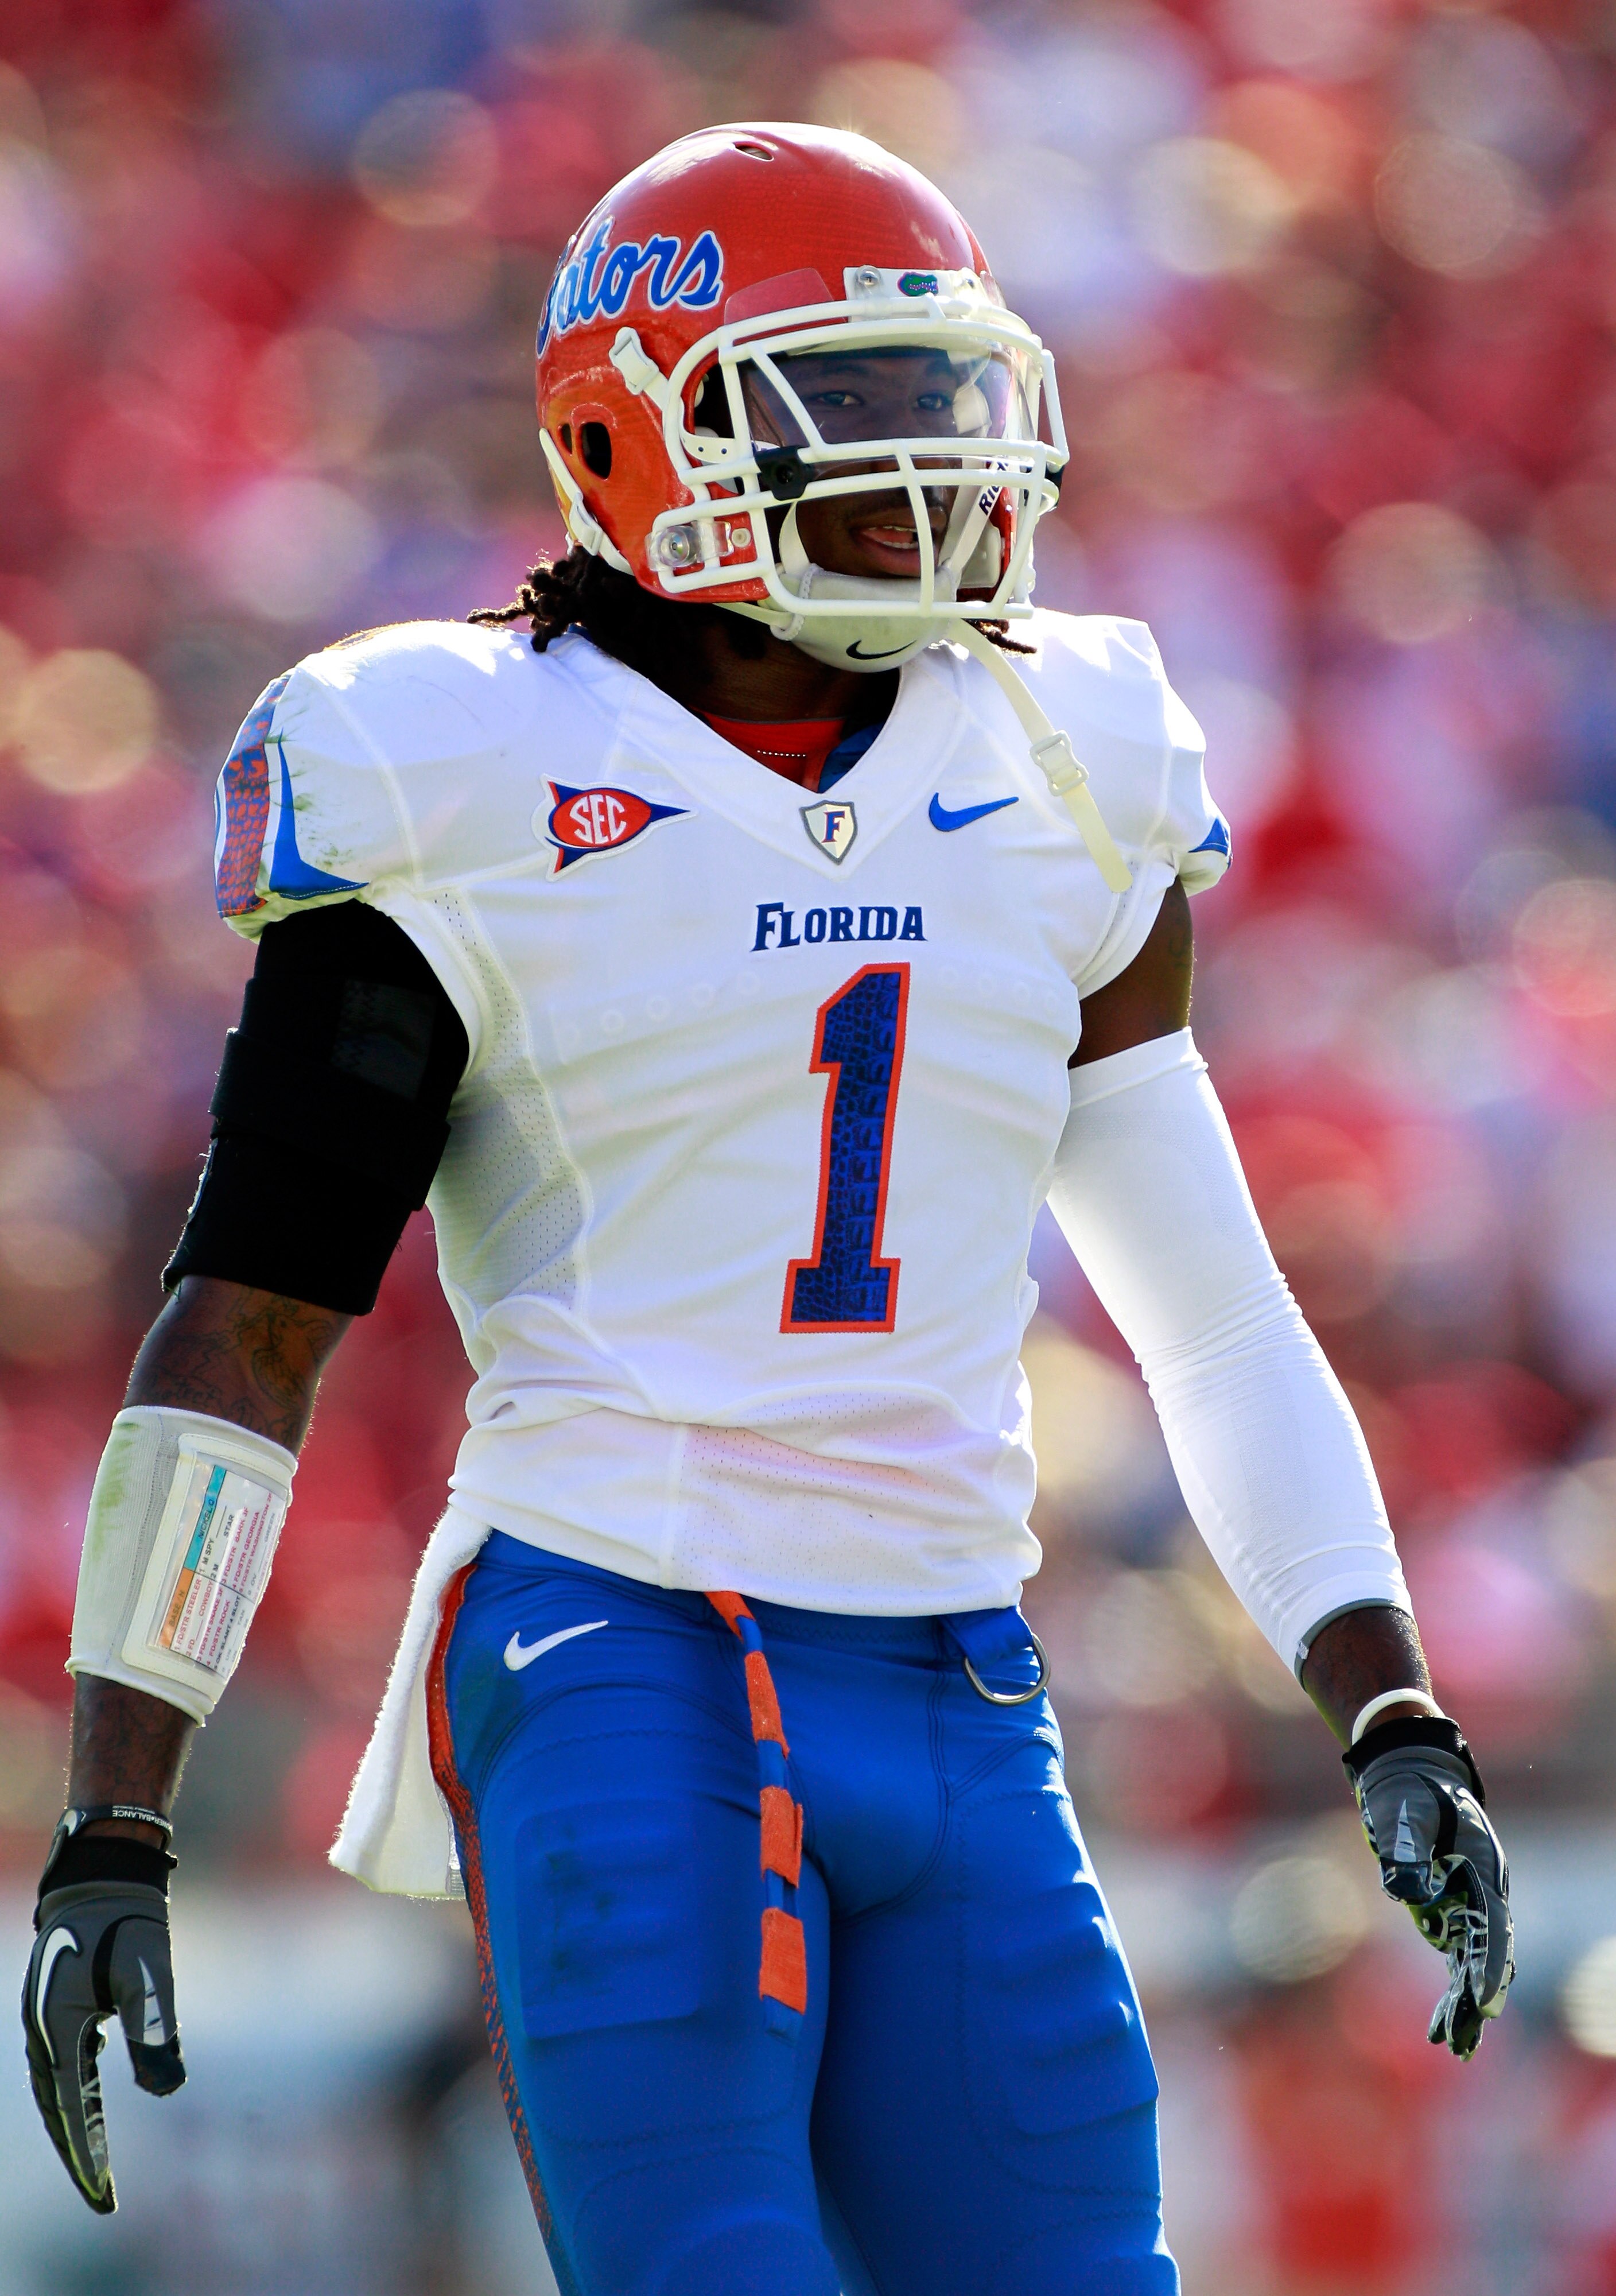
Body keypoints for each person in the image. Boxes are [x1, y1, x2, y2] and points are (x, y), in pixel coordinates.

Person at [22, 123, 1511, 2295]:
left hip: (963, 1675)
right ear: (635, 433)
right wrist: (115, 1813)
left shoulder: (1068, 750)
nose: (939, 466)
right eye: (859, 406)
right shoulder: (456, 765)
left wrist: (1390, 1705)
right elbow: (251, 1318)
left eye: (949, 398)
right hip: (619, 1635)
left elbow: (1210, 1312)